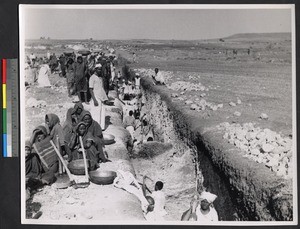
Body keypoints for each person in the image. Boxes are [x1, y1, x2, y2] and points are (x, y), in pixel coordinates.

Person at [89, 63, 108, 129]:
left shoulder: (100, 78)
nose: (100, 71)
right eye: (99, 69)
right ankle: (95, 128)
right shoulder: (92, 77)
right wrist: (94, 100)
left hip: (101, 97)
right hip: (96, 97)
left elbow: (101, 88)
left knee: (102, 113)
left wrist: (105, 98)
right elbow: (91, 89)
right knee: (96, 114)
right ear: (96, 69)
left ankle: (101, 128)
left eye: (100, 69)